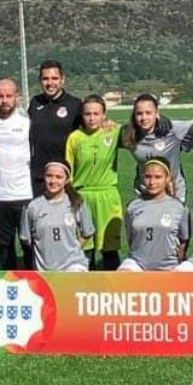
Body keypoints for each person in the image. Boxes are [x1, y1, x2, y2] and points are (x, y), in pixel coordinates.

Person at [65, 95, 122, 271]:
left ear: (104, 115)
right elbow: (68, 171)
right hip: (82, 198)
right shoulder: (75, 138)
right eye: (87, 113)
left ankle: (112, 290)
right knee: (85, 249)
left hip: (108, 196)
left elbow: (136, 134)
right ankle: (85, 292)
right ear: (82, 115)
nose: (92, 118)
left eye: (96, 113)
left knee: (109, 249)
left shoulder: (114, 132)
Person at [0, 79, 34, 270]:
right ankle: (12, 287)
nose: (4, 100)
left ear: (17, 96)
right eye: (0, 96)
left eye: (9, 95)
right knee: (5, 247)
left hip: (25, 195)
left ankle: (35, 287)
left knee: (29, 245)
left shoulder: (28, 121)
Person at [118, 159, 191, 272]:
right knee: (122, 276)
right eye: (148, 176)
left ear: (167, 179)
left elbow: (183, 239)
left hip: (170, 265)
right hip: (138, 264)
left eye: (158, 177)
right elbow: (131, 238)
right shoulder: (133, 207)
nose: (152, 182)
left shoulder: (179, 208)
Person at [20, 161, 94, 272]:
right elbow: (26, 238)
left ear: (66, 180)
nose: (53, 181)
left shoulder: (76, 202)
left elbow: (87, 232)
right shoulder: (32, 206)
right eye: (49, 176)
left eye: (59, 177)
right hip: (45, 269)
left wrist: (74, 248)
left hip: (73, 264)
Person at [121, 93, 193, 204]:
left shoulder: (172, 129)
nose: (144, 118)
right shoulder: (128, 134)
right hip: (144, 192)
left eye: (148, 113)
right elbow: (107, 134)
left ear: (157, 113)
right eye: (139, 114)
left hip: (173, 192)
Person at [28, 60, 83, 195]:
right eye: (45, 78)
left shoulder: (75, 104)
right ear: (40, 81)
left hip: (63, 175)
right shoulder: (35, 102)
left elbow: (90, 128)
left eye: (54, 78)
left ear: (62, 80)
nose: (50, 83)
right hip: (39, 176)